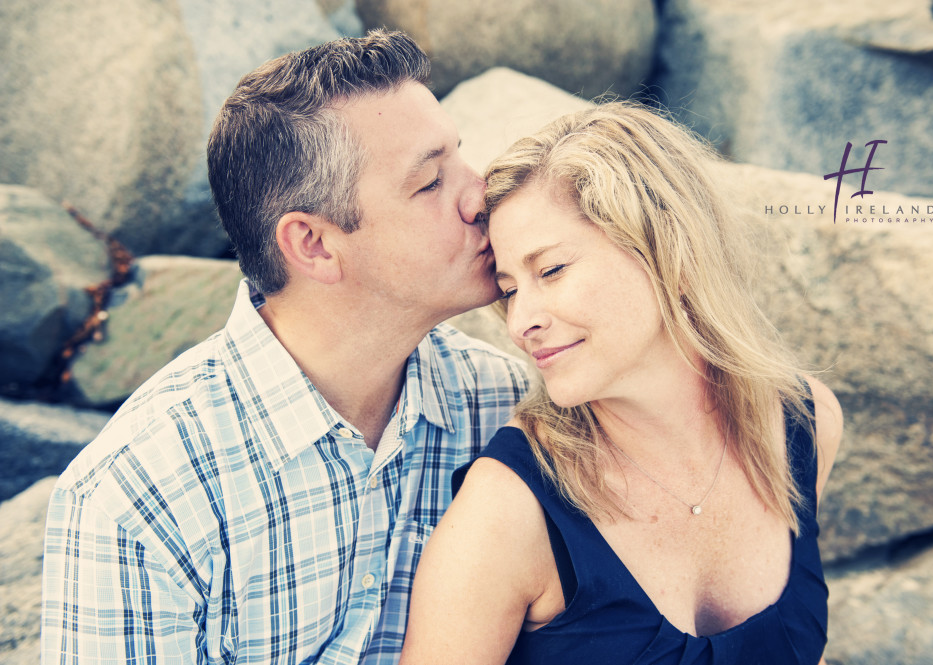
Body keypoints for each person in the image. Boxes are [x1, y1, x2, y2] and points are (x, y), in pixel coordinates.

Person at [40, 30, 529, 665]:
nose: (480, 194)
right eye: (431, 181)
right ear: (315, 245)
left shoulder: (507, 406)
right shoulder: (136, 496)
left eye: (461, 156)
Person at [399, 102, 843, 665]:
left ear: (666, 247)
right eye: (510, 289)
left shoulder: (804, 424)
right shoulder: (508, 516)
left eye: (552, 270)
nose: (520, 322)